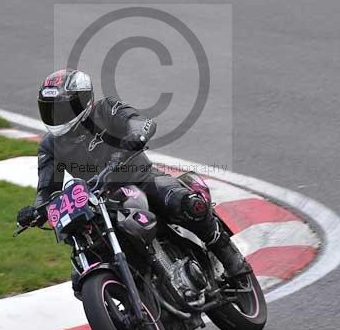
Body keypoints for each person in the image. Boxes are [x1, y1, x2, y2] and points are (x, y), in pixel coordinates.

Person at [16, 68, 251, 282]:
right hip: (99, 201)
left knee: (187, 204)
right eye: (51, 110)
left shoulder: (105, 109)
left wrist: (134, 137)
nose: (57, 116)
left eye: (63, 109)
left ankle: (227, 254)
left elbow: (141, 122)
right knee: (81, 276)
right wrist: (35, 211)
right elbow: (47, 189)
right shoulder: (50, 145)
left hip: (140, 177)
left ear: (83, 101)